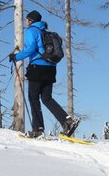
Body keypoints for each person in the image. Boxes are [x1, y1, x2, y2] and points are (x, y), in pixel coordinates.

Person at [9, 10, 75, 138]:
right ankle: (67, 122)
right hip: (51, 68)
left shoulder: (31, 31)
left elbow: (31, 49)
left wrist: (16, 56)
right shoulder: (46, 32)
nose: (26, 22)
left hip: (37, 68)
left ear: (31, 21)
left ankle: (38, 129)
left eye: (27, 20)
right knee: (47, 98)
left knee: (33, 97)